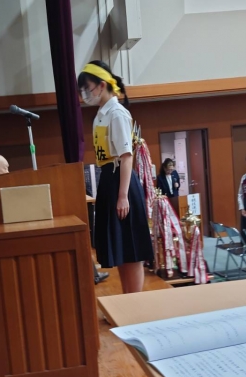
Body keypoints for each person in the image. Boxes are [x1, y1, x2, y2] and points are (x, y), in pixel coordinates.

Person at [78, 60, 153, 294]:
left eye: (87, 88)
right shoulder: (101, 115)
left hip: (122, 182)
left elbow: (126, 156)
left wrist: (123, 196)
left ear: (102, 85)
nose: (85, 94)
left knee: (131, 248)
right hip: (109, 181)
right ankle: (127, 299)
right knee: (121, 248)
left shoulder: (117, 113)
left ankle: (135, 301)